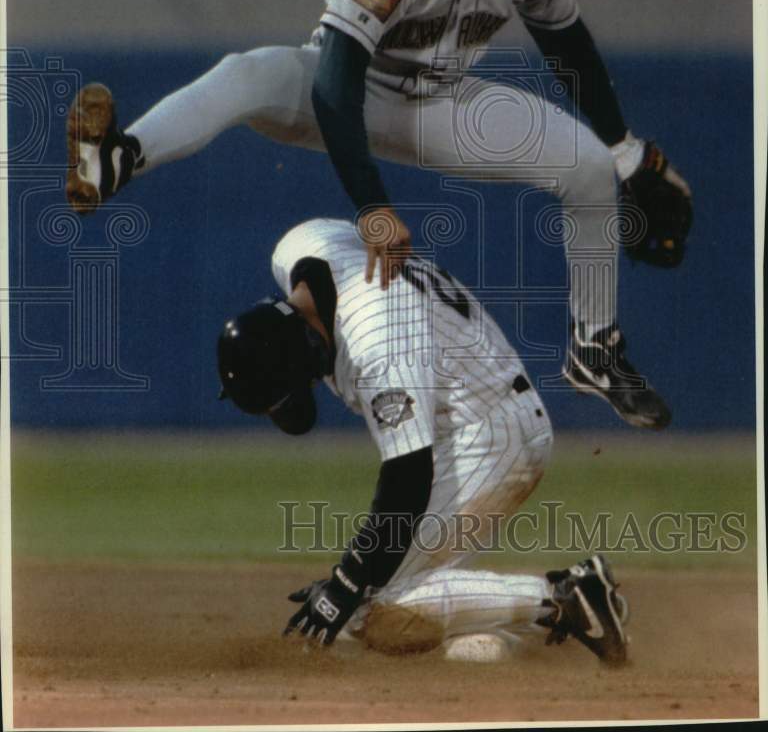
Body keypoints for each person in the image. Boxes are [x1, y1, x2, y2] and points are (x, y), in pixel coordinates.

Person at [66, 0, 692, 431]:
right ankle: (119, 158)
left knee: (588, 166)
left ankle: (595, 349)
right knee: (248, 73)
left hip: (443, 104)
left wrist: (625, 149)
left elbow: (570, 48)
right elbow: (335, 86)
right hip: (350, 93)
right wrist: (372, 207)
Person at [216, 216, 629, 665]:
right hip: (474, 407)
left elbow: (407, 484)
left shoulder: (376, 341)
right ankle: (499, 630)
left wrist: (346, 584)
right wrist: (354, 578)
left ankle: (566, 599)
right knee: (370, 596)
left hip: (492, 435)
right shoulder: (299, 245)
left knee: (376, 611)